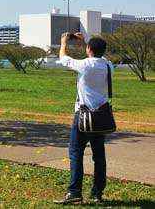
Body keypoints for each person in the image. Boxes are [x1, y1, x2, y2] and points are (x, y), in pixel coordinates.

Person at [54, 33, 111, 205]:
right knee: (99, 156)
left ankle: (74, 192)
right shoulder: (108, 66)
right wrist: (88, 41)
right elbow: (100, 53)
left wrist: (63, 42)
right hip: (101, 116)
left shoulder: (85, 65)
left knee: (76, 152)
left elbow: (64, 58)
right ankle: (97, 193)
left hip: (83, 115)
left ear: (89, 50)